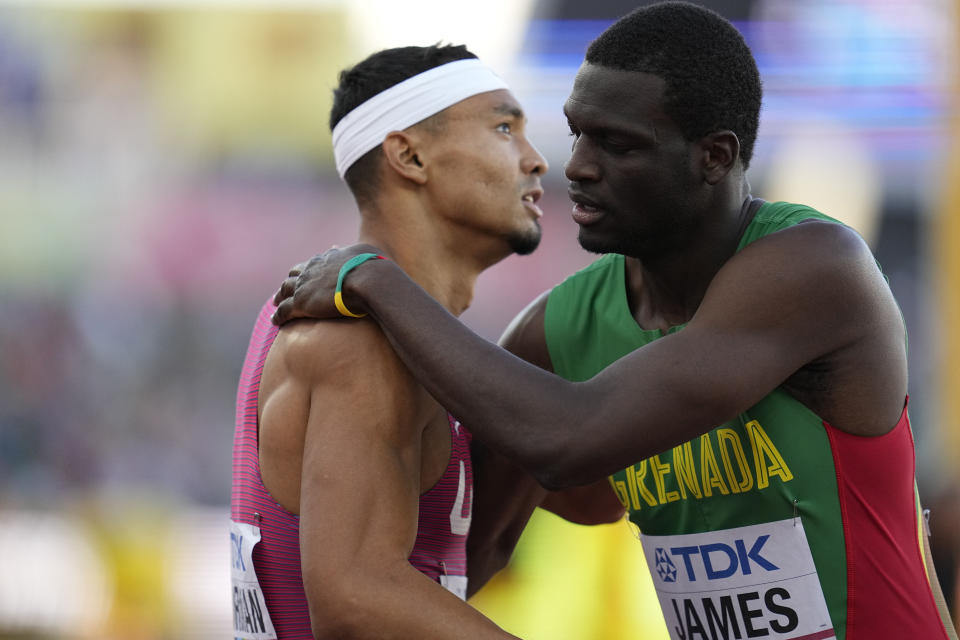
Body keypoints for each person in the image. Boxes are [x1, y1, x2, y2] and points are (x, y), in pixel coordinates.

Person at [271, 3, 959, 639]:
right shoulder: (566, 324)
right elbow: (476, 546)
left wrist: (376, 281)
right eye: (575, 134)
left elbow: (568, 440)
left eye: (617, 145)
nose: (576, 168)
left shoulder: (813, 268)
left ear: (713, 157)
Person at [230, 43, 622, 640]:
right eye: (503, 128)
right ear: (409, 155)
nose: (537, 160)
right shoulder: (363, 337)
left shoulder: (406, 335)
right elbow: (357, 599)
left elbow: (592, 500)